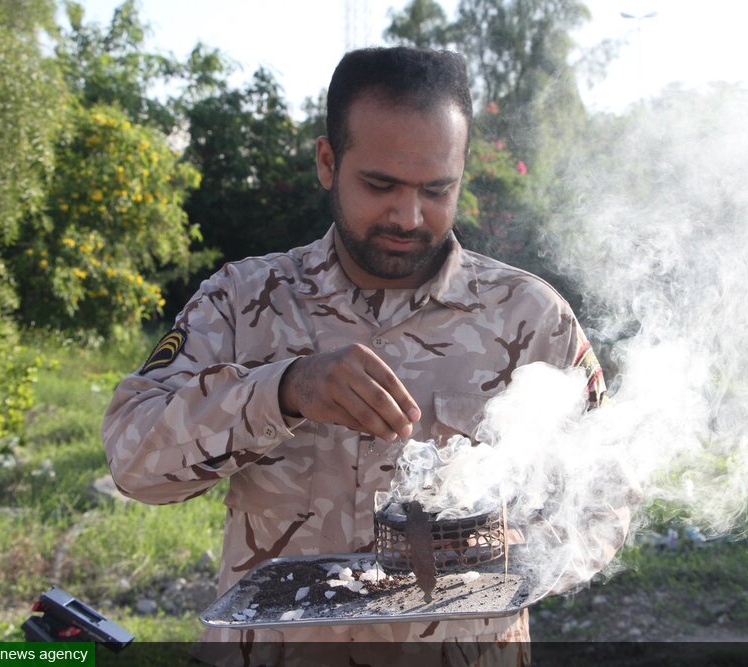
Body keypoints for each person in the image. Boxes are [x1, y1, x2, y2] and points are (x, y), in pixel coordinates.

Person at [103, 46, 620, 666]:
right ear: (328, 161)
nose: (409, 215)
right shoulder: (242, 301)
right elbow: (134, 464)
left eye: (437, 189)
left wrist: (514, 548)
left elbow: (603, 497)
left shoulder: (530, 318)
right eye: (380, 185)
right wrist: (283, 391)